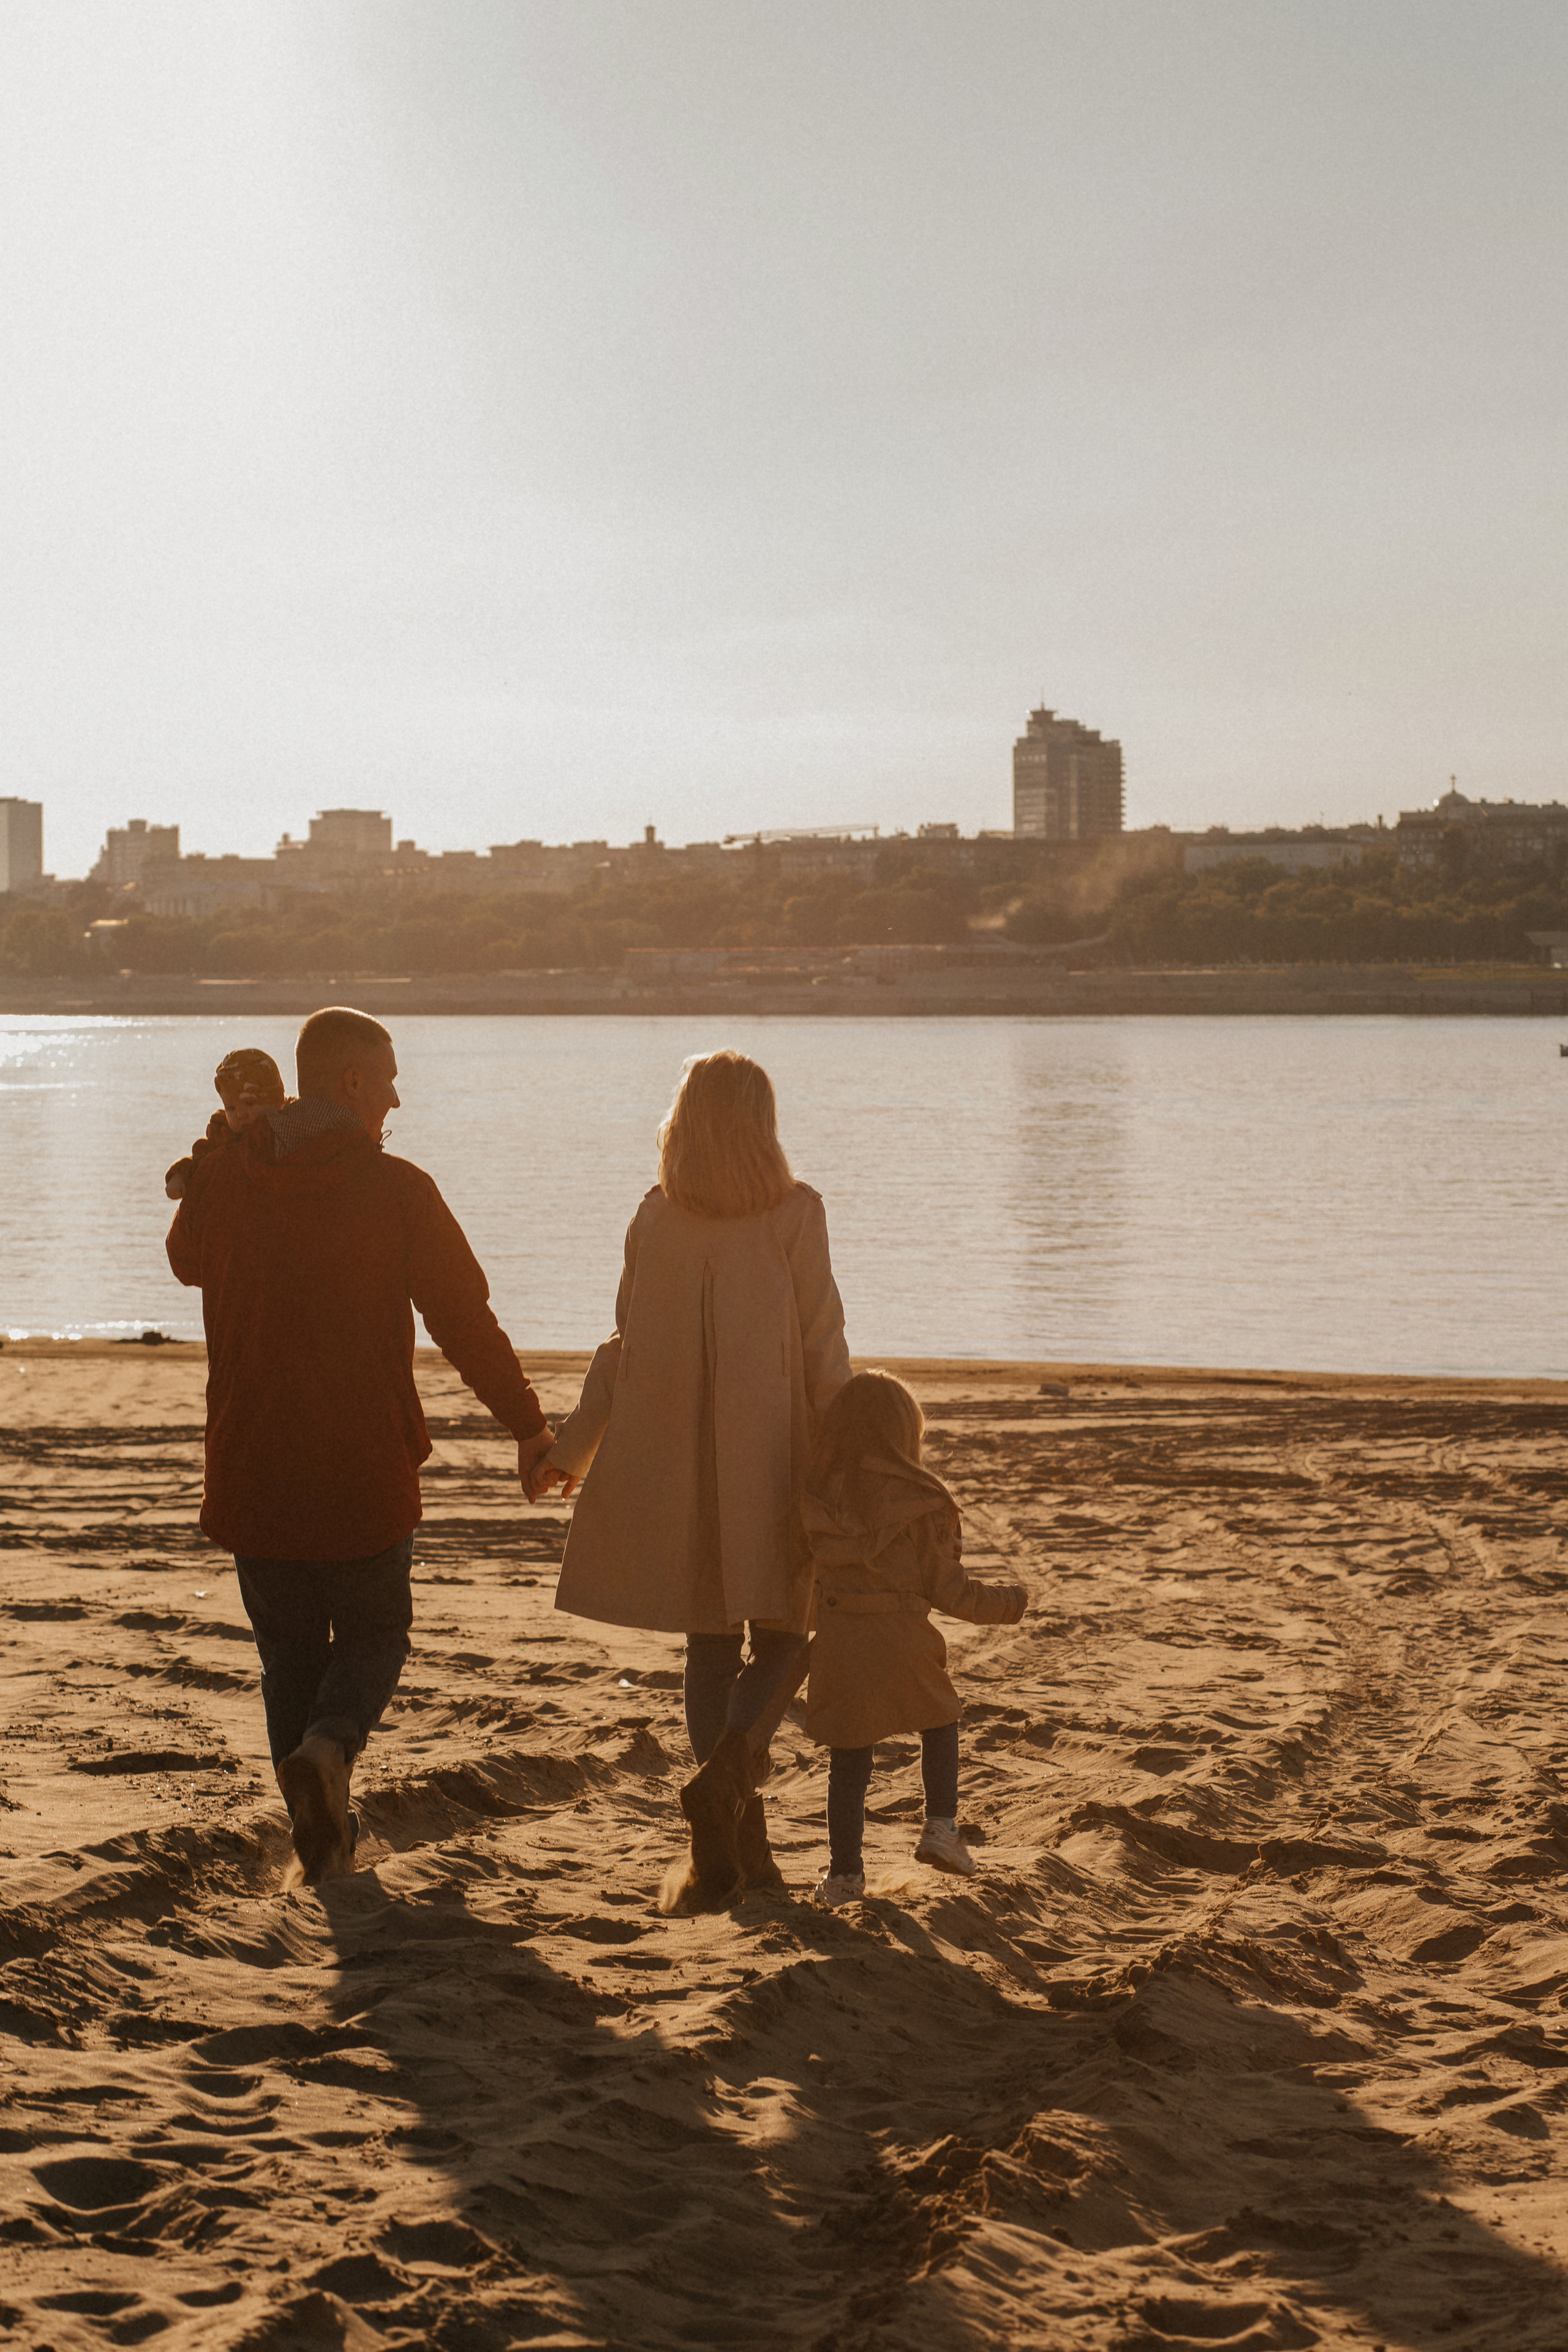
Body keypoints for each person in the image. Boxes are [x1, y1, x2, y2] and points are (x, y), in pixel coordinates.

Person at [167, 1006, 555, 1886]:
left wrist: (222, 1152)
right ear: (348, 1084)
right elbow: (464, 1320)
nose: (396, 1097)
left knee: (289, 1662)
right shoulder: (397, 1189)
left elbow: (186, 1260)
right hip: (362, 1468)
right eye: (385, 1079)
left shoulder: (228, 1180)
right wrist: (529, 1427)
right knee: (376, 1633)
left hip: (253, 1466)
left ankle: (324, 1844)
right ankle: (332, 1754)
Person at [538, 1049, 850, 1889]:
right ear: (763, 1128)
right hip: (777, 1463)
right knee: (790, 1633)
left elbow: (624, 1350)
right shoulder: (796, 1215)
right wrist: (860, 1454)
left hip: (683, 1469)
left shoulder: (654, 1217)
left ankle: (731, 1842)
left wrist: (571, 1448)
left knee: (709, 1646)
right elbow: (824, 1349)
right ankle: (736, 1774)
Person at [799, 1369, 1028, 1907]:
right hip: (903, 1640)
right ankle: (941, 1827)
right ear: (906, 1432)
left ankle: (844, 1877)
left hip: (839, 1644)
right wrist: (1011, 1603)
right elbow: (951, 1591)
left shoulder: (816, 1492)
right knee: (940, 1720)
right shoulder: (923, 1500)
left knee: (849, 1763)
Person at [164, 1046, 288, 1200]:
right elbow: (197, 1161)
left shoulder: (287, 1129)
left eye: (249, 1103)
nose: (240, 1115)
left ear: (276, 1102)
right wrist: (179, 1177)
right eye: (231, 1108)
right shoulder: (222, 1134)